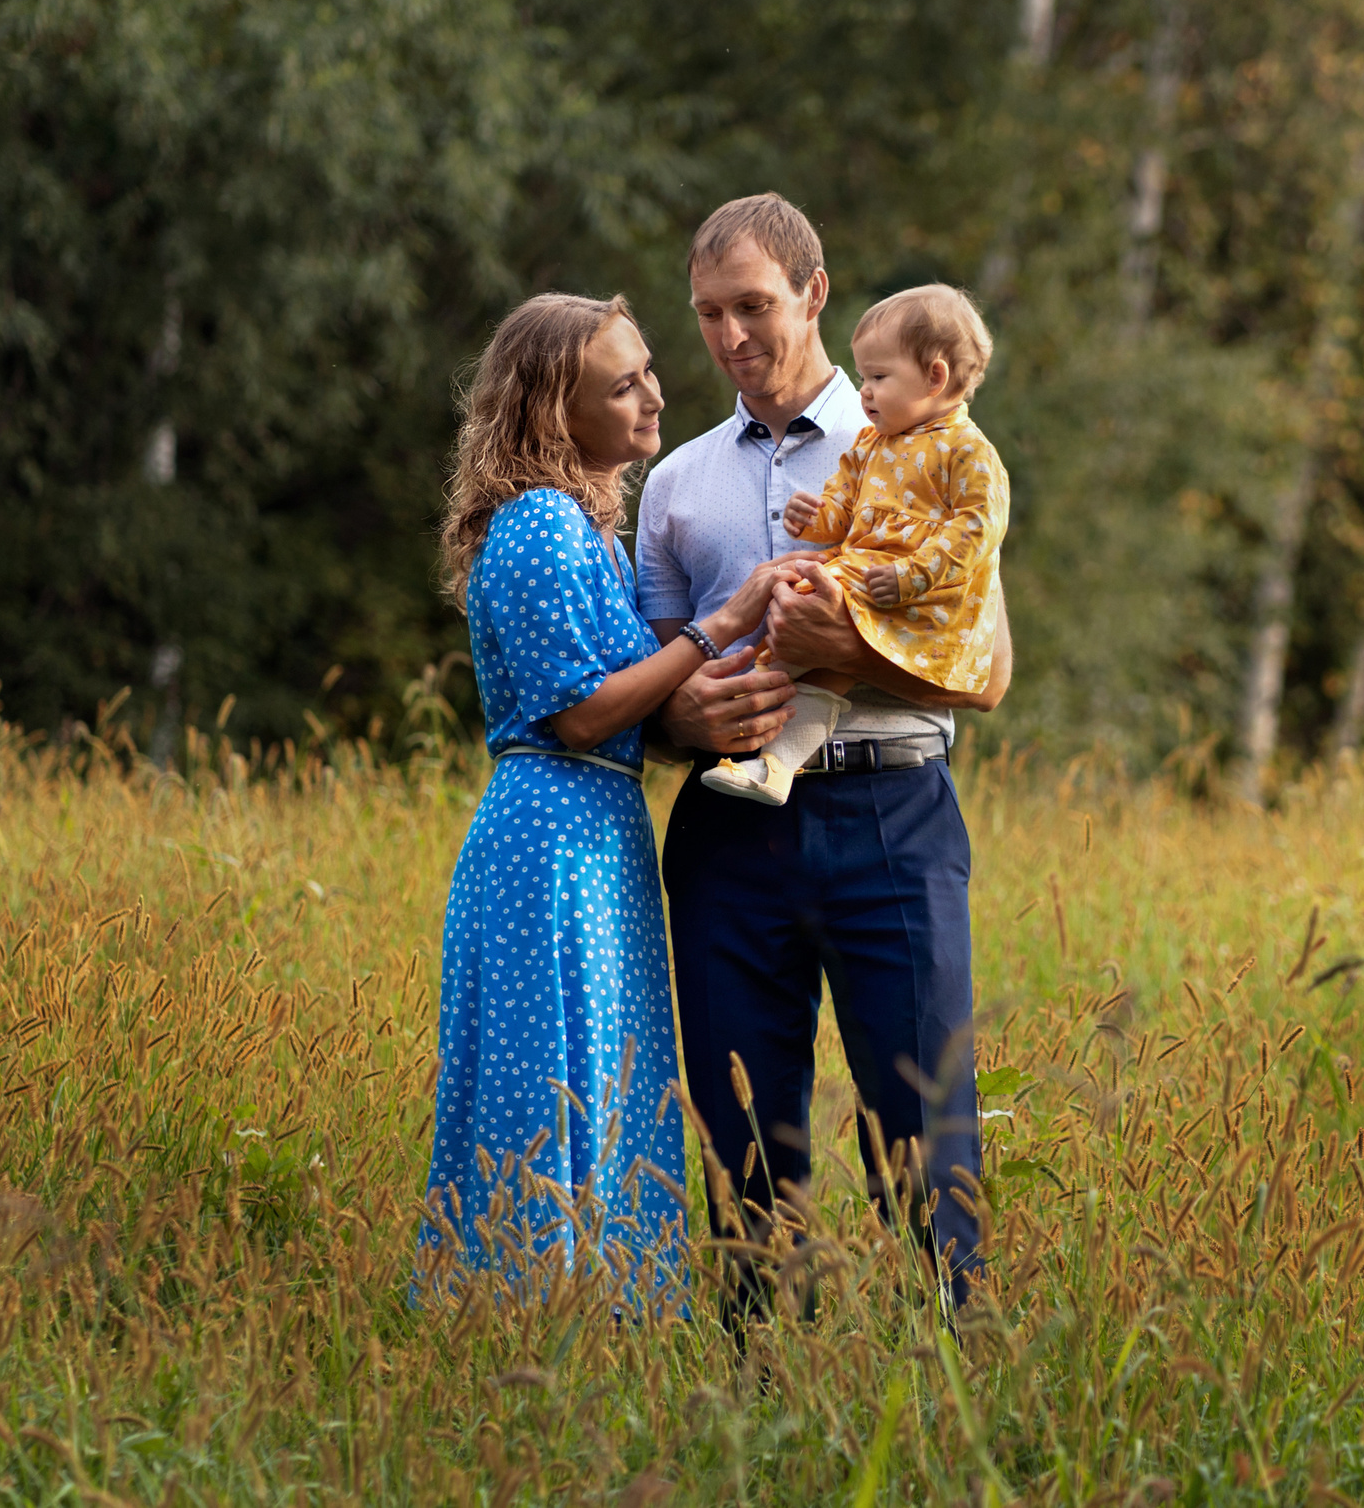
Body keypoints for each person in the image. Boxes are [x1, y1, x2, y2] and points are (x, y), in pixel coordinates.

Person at [635, 194, 1009, 1316]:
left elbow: (987, 673)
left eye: (752, 305)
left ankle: (960, 1375)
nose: (730, 336)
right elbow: (645, 696)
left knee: (924, 1128)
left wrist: (848, 645)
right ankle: (762, 1401)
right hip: (726, 832)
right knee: (743, 1135)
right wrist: (683, 724)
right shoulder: (672, 485)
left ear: (814, 294)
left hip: (892, 819)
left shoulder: (931, 442)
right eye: (707, 314)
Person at [418, 292, 788, 1307]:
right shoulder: (538, 525)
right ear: (551, 409)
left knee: (598, 1066)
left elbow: (633, 706)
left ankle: (594, 1315)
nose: (653, 395)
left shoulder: (589, 532)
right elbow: (582, 715)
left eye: (647, 371)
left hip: (596, 828)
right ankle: (530, 1308)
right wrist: (717, 628)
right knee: (555, 1074)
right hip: (551, 835)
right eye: (620, 385)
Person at [701, 283, 1010, 806]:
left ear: (935, 377)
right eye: (864, 376)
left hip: (924, 591)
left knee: (804, 609)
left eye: (878, 377)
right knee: (803, 612)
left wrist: (912, 575)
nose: (863, 391)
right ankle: (773, 760)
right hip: (871, 573)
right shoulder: (873, 442)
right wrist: (815, 517)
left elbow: (977, 529)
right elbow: (845, 510)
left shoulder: (968, 450)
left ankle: (755, 709)